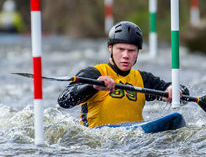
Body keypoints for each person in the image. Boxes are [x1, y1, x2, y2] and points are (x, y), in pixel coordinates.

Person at [58, 21, 189, 128]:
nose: (126, 56)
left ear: (138, 52)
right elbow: (64, 101)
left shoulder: (142, 78)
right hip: (98, 141)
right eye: (120, 49)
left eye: (131, 51)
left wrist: (175, 90)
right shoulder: (93, 73)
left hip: (133, 139)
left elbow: (182, 93)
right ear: (110, 48)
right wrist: (93, 86)